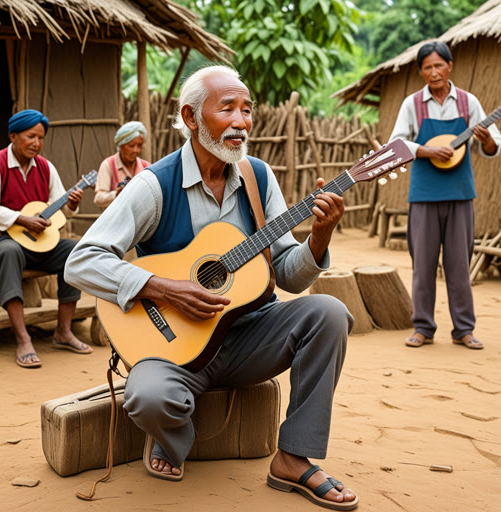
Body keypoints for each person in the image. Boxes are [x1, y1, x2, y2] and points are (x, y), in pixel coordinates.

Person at [65, 65, 358, 510]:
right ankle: (173, 437)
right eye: (228, 109)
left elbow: (292, 278)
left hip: (249, 336)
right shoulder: (154, 185)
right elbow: (81, 261)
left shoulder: (258, 179)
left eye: (247, 109)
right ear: (190, 117)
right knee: (147, 398)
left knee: (330, 314)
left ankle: (294, 458)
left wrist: (319, 236)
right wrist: (163, 288)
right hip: (174, 346)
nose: (242, 121)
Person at [389, 41, 501, 350]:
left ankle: (464, 329)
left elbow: (492, 146)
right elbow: (396, 144)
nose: (434, 72)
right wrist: (426, 150)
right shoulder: (413, 104)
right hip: (424, 194)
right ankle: (423, 327)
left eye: (439, 65)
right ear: (421, 71)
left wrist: (487, 140)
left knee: (459, 264)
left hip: (460, 193)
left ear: (450, 66)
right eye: (427, 67)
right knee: (422, 264)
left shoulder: (468, 103)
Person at [0, 109, 93, 368]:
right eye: (30, 136)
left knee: (76, 249)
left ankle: (63, 331)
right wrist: (22, 219)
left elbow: (57, 209)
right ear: (13, 136)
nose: (36, 143)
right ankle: (23, 338)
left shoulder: (46, 168)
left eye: (41, 138)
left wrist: (71, 205)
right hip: (0, 240)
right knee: (9, 252)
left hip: (37, 243)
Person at [93, 121, 150, 208]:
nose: (136, 150)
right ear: (120, 145)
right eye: (131, 146)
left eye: (139, 146)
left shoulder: (146, 167)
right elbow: (98, 199)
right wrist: (116, 194)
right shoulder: (108, 165)